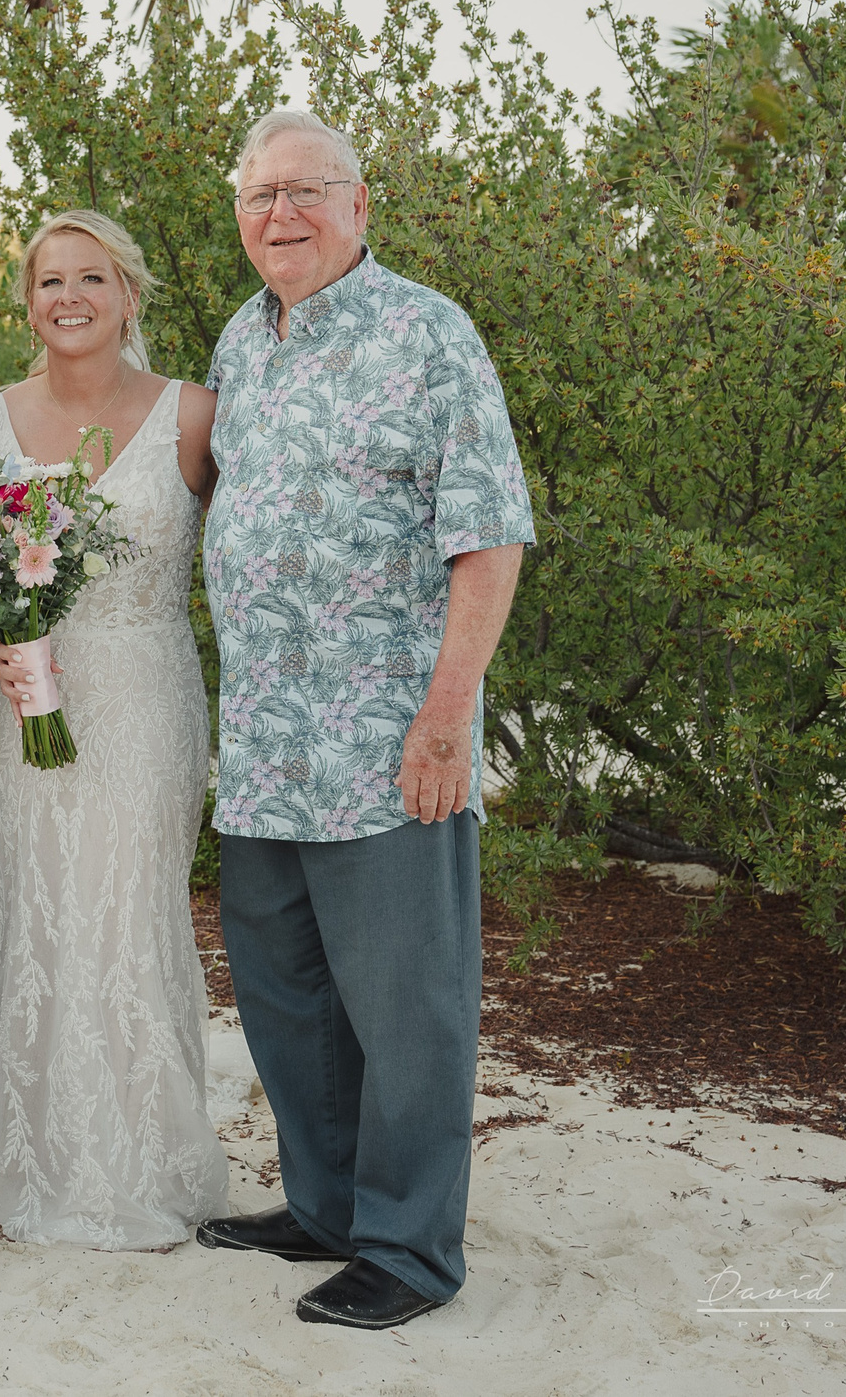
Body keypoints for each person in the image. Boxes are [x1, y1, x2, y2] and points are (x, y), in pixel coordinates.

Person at [192, 108, 533, 1330]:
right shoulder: (242, 340)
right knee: (288, 1000)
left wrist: (447, 717)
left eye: (305, 190)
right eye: (258, 196)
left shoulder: (429, 332)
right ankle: (328, 1208)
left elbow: (488, 537)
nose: (279, 214)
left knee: (406, 1010)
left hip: (387, 744)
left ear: (358, 203)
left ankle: (407, 1249)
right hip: (263, 745)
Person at [0, 209, 230, 1250]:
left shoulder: (194, 415)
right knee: (33, 905)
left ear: (129, 295)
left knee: (129, 911)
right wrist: (0, 643)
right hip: (19, 702)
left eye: (92, 278)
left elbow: (251, 549)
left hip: (147, 696)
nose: (71, 297)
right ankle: (34, 1148)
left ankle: (144, 1151)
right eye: (51, 281)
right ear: (28, 304)